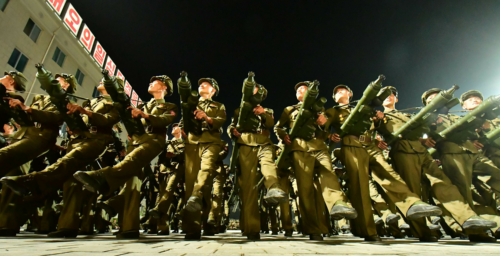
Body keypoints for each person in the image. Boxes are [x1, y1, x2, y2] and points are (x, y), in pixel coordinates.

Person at [1, 76, 120, 238]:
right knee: (68, 182)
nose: (100, 81)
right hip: (76, 140)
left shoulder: (116, 104)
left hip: (95, 141)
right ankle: (65, 225)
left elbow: (107, 120)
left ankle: (65, 220)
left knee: (69, 178)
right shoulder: (90, 102)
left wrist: (84, 113)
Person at [375, 86, 496, 242]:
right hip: (403, 152)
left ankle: (468, 219)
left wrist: (426, 136)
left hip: (421, 151)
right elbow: (376, 134)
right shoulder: (378, 115)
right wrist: (377, 128)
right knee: (413, 193)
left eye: (392, 94)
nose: (389, 96)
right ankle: (422, 231)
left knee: (443, 183)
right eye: (385, 95)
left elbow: (419, 131)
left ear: (396, 99)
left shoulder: (407, 115)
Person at [325, 84, 442, 241]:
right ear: (334, 98)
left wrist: (379, 122)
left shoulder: (362, 108)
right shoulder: (333, 111)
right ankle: (369, 231)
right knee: (361, 187)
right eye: (336, 92)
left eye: (342, 90)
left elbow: (380, 129)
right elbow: (322, 128)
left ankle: (412, 205)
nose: (339, 92)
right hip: (351, 145)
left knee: (389, 174)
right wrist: (328, 136)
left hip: (371, 144)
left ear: (350, 93)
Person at [74, 75, 178, 239]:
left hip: (153, 141)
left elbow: (165, 120)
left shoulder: (170, 106)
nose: (150, 83)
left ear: (164, 87)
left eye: (155, 81)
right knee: (132, 180)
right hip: (136, 141)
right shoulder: (143, 105)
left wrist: (145, 116)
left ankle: (102, 177)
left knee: (131, 162)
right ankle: (128, 227)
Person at [274, 81, 357, 241]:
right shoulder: (289, 110)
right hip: (299, 148)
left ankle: (337, 204)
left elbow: (323, 129)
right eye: (298, 89)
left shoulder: (319, 108)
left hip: (319, 146)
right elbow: (278, 127)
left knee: (329, 175)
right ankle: (313, 229)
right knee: (305, 190)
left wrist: (324, 127)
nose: (300, 90)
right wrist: (283, 136)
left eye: (303, 88)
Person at [228, 83, 287, 240]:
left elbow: (270, 124)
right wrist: (232, 132)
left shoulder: (267, 111)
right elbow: (231, 126)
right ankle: (251, 228)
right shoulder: (238, 111)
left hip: (264, 141)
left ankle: (273, 187)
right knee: (249, 188)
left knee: (269, 165)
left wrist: (262, 114)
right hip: (245, 144)